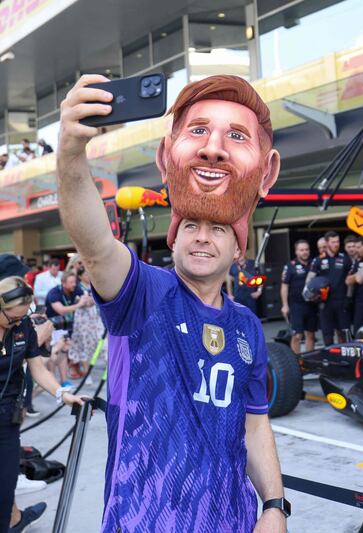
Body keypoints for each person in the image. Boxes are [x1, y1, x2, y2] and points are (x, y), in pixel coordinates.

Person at [57, 74, 288, 531]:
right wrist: (69, 153)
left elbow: (255, 424)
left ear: (238, 248)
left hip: (233, 521)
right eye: (190, 227)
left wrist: (274, 506)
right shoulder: (142, 294)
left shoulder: (247, 328)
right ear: (173, 239)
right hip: (142, 521)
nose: (202, 236)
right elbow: (95, 242)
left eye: (218, 229)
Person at [0, 276, 83, 532]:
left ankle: (11, 521)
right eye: (11, 319)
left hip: (6, 417)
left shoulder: (23, 326)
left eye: (20, 318)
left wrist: (63, 394)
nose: (16, 324)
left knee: (5, 486)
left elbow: (38, 369)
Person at [44, 271, 89, 387]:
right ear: (63, 283)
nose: (75, 284)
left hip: (65, 326)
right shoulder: (54, 293)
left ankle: (64, 381)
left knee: (63, 352)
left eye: (75, 282)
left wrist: (84, 298)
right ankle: (50, 380)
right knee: (53, 352)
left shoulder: (74, 289)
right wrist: (79, 304)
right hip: (51, 327)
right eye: (71, 282)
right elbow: (61, 310)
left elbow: (87, 297)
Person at [307, 231, 352, 345]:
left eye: (337, 242)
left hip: (341, 301)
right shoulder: (318, 260)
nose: (336, 244)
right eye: (333, 242)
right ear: (326, 243)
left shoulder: (345, 259)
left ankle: (345, 359)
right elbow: (309, 279)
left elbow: (350, 280)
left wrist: (349, 297)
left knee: (343, 333)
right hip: (325, 303)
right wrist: (312, 294)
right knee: (327, 334)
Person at [68, 266, 106, 379]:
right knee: (85, 345)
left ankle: (110, 369)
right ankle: (86, 373)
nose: (88, 276)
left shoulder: (94, 285)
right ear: (80, 276)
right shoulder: (77, 288)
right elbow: (83, 303)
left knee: (103, 343)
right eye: (85, 274)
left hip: (95, 318)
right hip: (83, 320)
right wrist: (92, 300)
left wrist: (91, 300)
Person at [281, 240, 316, 353]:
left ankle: (309, 361)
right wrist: (285, 305)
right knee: (297, 335)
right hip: (296, 305)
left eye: (306, 249)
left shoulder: (314, 264)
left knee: (310, 334)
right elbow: (284, 286)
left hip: (311, 304)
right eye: (302, 250)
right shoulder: (290, 266)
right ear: (296, 252)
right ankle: (296, 363)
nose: (305, 252)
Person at [347, 239, 363, 333]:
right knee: (358, 332)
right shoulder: (357, 261)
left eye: (359, 247)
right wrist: (361, 273)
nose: (356, 250)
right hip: (360, 302)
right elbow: (348, 280)